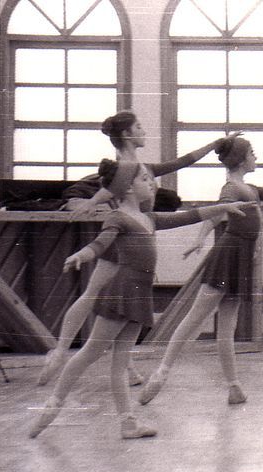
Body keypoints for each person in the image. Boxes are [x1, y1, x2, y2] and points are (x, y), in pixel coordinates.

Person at [30, 160, 253, 439]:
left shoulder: (149, 218)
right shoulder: (118, 218)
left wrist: (222, 207)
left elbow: (190, 215)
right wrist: (80, 256)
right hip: (122, 292)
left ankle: (128, 422)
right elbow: (100, 244)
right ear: (127, 188)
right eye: (144, 180)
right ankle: (53, 405)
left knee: (121, 362)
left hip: (139, 295)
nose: (151, 183)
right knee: (90, 352)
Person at [137, 136, 263, 405]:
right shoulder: (232, 189)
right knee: (193, 319)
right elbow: (216, 212)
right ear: (241, 159)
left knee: (228, 327)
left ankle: (234, 386)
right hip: (227, 257)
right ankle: (161, 374)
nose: (256, 157)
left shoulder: (251, 189)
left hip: (241, 259)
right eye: (252, 152)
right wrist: (200, 237)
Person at [37, 110, 233, 386]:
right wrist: (91, 203)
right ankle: (60, 353)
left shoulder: (140, 167)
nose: (143, 131)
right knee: (97, 296)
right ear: (127, 134)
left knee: (113, 304)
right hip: (125, 243)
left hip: (135, 240)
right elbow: (108, 191)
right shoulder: (127, 167)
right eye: (138, 127)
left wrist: (214, 145)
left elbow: (182, 162)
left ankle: (114, 366)